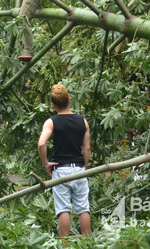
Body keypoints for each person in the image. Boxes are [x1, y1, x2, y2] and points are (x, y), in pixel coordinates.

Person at [38, 84, 91, 237]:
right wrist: (84, 167)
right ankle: (87, 243)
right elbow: (86, 149)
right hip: (79, 169)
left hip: (60, 170)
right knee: (83, 208)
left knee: (63, 209)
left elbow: (42, 144)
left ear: (53, 105)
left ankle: (64, 245)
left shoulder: (51, 122)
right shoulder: (83, 122)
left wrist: (46, 163)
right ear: (69, 100)